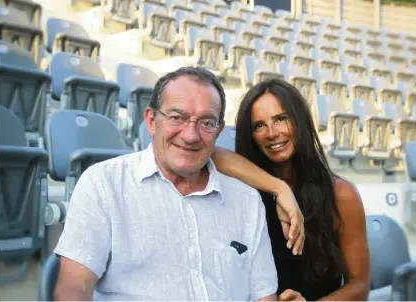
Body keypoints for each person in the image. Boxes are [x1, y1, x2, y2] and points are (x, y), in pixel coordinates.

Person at [53, 67, 305, 301]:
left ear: (218, 133)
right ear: (152, 121)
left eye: (206, 123)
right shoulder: (103, 185)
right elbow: (74, 287)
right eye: (177, 117)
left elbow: (263, 296)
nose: (191, 135)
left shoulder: (247, 201)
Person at [210, 78, 370, 301]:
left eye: (281, 119)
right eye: (259, 125)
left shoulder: (341, 194)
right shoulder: (245, 189)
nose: (271, 133)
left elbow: (360, 286)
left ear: (300, 121)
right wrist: (279, 188)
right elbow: (208, 151)